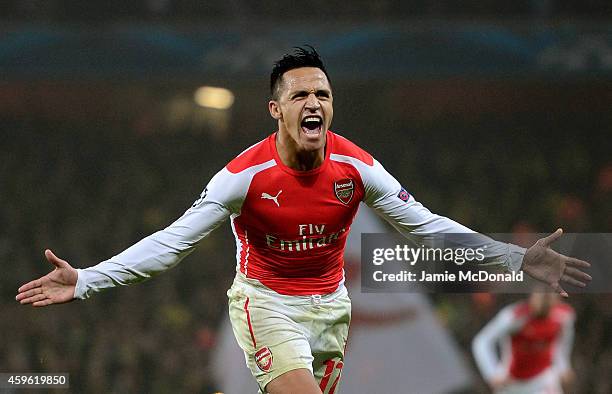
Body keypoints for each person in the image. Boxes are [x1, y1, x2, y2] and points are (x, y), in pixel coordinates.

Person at [16, 46, 591, 394]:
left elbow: (428, 227)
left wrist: (515, 259)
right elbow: (172, 242)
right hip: (264, 303)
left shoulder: (358, 167)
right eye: (300, 95)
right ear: (277, 110)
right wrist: (88, 278)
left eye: (324, 92)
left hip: (331, 310)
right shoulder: (243, 176)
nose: (314, 102)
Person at [472, 292, 576, 394]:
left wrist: (563, 367)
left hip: (543, 380)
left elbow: (562, 342)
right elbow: (482, 341)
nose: (545, 301)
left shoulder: (564, 316)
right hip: (512, 384)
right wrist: (492, 374)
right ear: (532, 297)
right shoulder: (515, 317)